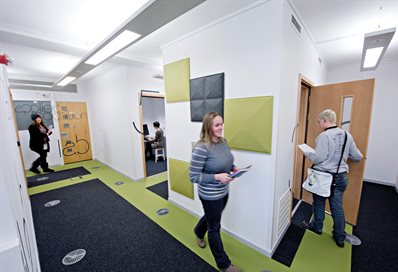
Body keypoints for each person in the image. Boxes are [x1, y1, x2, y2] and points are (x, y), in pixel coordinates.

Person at [302, 109, 362, 248]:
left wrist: (308, 153)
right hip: (340, 178)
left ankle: (317, 228)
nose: (319, 124)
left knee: (319, 203)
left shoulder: (324, 136)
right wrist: (342, 157)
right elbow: (357, 156)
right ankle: (340, 237)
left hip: (324, 177)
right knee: (337, 207)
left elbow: (318, 157)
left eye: (319, 122)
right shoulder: (348, 135)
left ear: (324, 120)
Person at [189, 112, 241, 272]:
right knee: (214, 227)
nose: (221, 127)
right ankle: (223, 264)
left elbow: (226, 161)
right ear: (208, 127)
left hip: (224, 192)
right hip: (210, 196)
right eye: (217, 125)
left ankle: (198, 230)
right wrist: (216, 176)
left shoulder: (223, 142)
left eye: (222, 124)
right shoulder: (201, 148)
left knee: (212, 218)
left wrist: (233, 168)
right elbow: (193, 176)